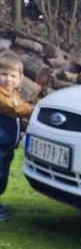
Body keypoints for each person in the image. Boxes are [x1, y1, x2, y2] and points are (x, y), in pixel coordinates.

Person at [0, 51, 34, 221]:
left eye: (12, 75)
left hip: (7, 147)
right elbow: (15, 109)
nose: (8, 79)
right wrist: (31, 109)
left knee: (3, 176)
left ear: (20, 79)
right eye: (3, 74)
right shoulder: (2, 96)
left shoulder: (14, 95)